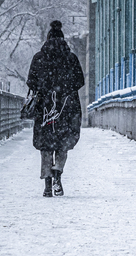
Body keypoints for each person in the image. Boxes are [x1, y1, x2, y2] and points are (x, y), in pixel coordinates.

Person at [26, 20, 85, 197]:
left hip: (45, 107)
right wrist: (64, 89)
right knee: (62, 143)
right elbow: (80, 81)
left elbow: (31, 82)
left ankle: (47, 184)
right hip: (67, 107)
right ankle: (58, 174)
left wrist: (46, 89)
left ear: (47, 38)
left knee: (46, 145)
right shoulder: (71, 58)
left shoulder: (39, 57)